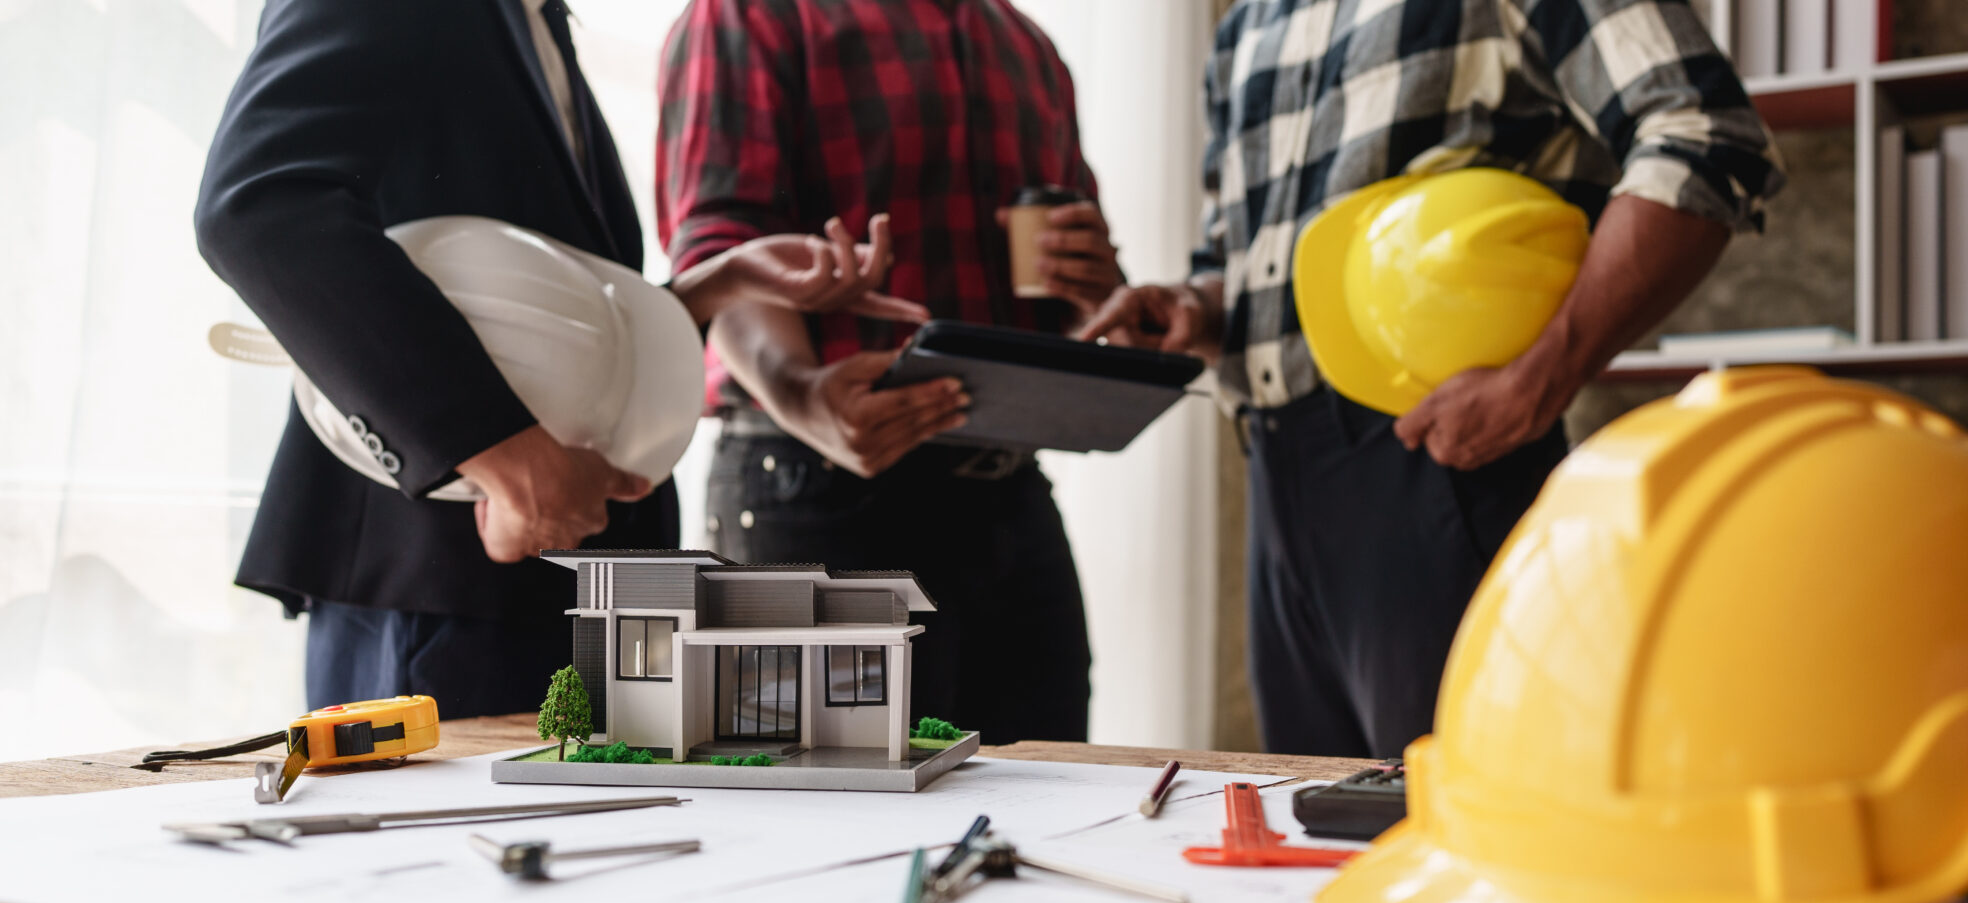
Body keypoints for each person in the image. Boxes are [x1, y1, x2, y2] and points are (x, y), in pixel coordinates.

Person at [1081, 0, 1786, 758]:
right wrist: (1196, 306)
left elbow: (1703, 132)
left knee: (1471, 830)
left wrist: (1543, 378)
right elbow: (1236, 259)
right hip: (1276, 480)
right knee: (1308, 846)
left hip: (1446, 464)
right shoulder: (1245, 25)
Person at [195, 0, 919, 717]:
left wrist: (720, 285)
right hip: (441, 583)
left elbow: (536, 318)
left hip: (545, 580)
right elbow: (260, 207)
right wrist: (510, 463)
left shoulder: (532, 19)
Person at [656, 0, 1125, 745]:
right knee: (831, 834)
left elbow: (1068, 294)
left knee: (1038, 823)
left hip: (1010, 498)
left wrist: (1099, 285)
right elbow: (718, 247)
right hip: (813, 494)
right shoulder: (749, 15)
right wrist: (801, 392)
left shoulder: (1028, 47)